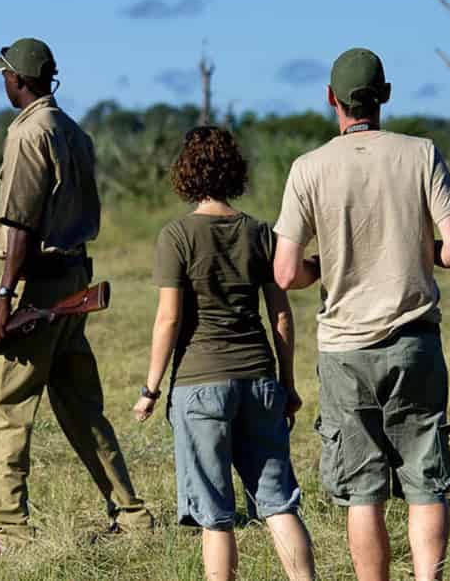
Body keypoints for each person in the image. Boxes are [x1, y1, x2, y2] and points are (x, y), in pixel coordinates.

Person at [273, 47, 450, 581]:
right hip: (415, 341)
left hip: (344, 350)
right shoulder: (421, 153)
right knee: (425, 481)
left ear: (331, 99)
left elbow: (287, 273)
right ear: (385, 95)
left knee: (363, 493)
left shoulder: (308, 168)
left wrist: (330, 262)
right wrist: (407, 248)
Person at [0, 37, 154, 556]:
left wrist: (5, 297)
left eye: (4, 74)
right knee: (81, 406)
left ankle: (10, 534)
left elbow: (21, 225)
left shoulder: (30, 133)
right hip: (73, 280)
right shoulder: (72, 130)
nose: (2, 82)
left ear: (18, 80)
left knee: (1, 409)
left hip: (35, 284)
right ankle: (132, 516)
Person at [133, 127, 316, 581]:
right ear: (235, 172)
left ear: (185, 174)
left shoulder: (176, 236)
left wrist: (150, 389)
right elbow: (282, 317)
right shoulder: (259, 233)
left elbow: (169, 320)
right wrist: (287, 386)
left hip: (200, 386)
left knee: (215, 517)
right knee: (279, 504)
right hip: (259, 380)